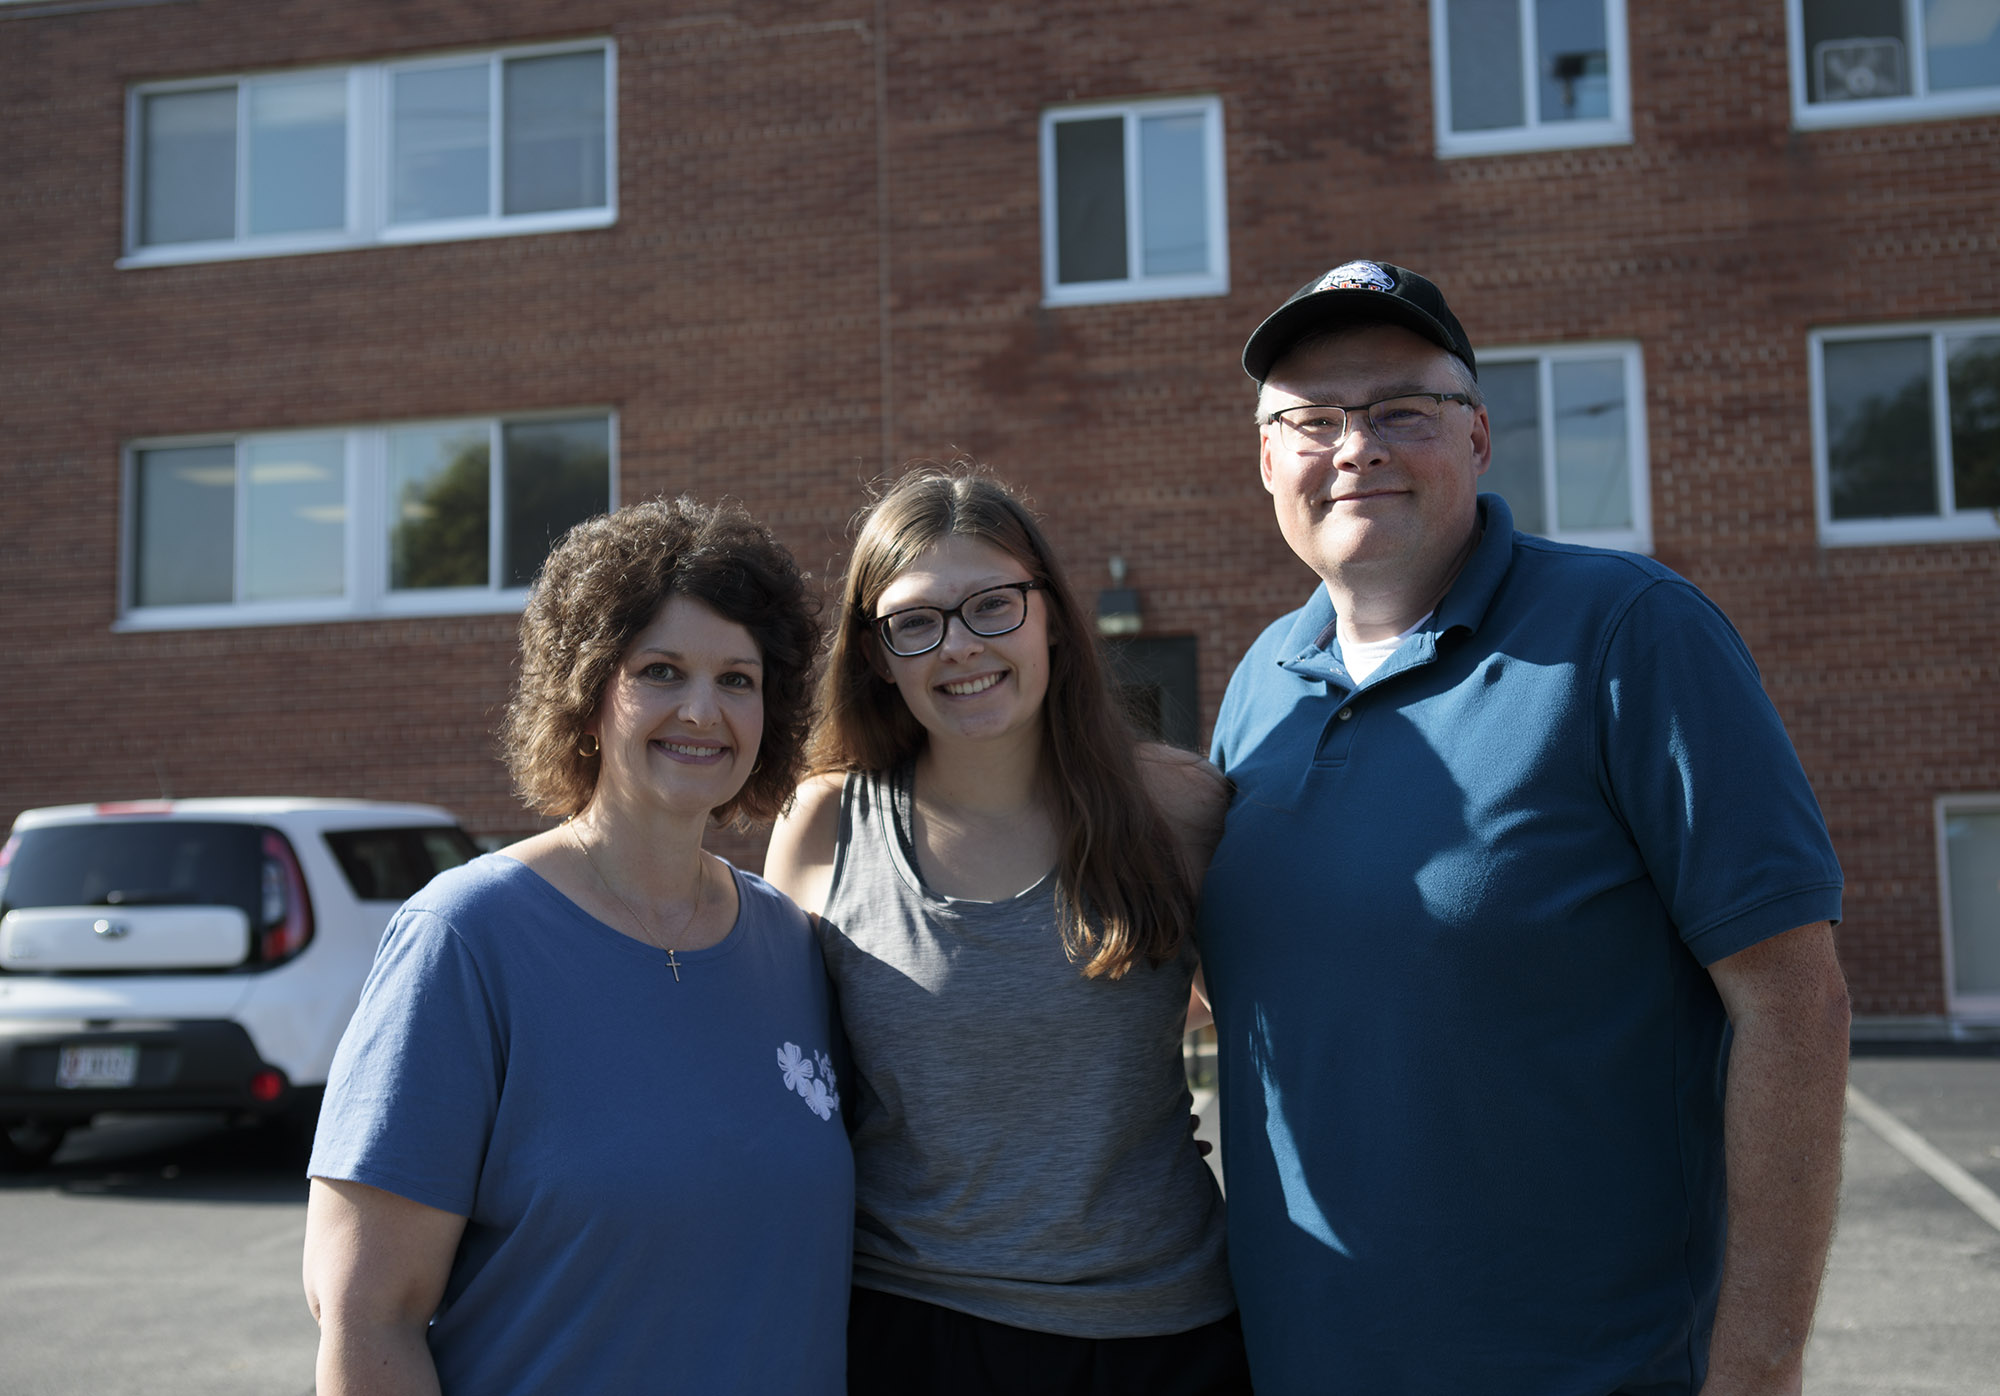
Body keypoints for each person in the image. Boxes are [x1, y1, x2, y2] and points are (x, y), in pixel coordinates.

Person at [1199, 260, 1851, 1395]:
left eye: (1402, 408)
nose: (1355, 447)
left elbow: (1792, 1004)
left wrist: (1755, 1365)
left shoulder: (1628, 637)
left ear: (1478, 437)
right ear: (1266, 461)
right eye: (1310, 420)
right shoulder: (1261, 682)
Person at [301, 498, 851, 1395]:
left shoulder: (790, 947)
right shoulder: (468, 938)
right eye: (662, 671)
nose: (702, 711)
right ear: (587, 691)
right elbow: (368, 1315)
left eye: (738, 679)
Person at [764, 467, 1252, 1395]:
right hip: (911, 1331)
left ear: (1054, 616)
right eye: (915, 621)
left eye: (993, 604)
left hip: (1161, 1332)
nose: (959, 647)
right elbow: (785, 1084)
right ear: (876, 654)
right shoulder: (825, 822)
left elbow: (1281, 1023)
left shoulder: (1177, 806)